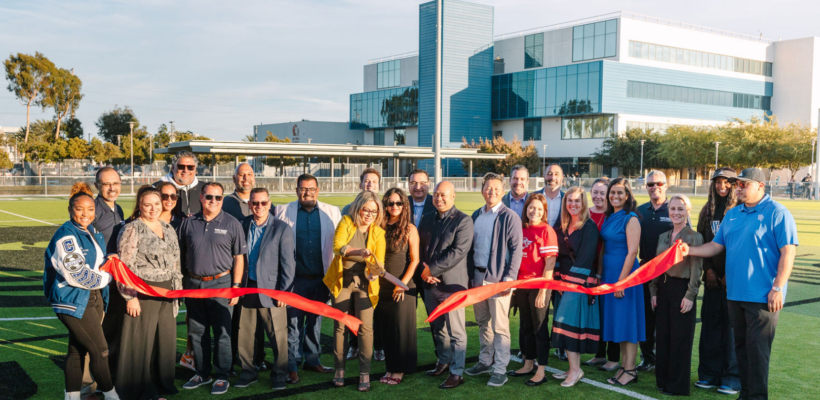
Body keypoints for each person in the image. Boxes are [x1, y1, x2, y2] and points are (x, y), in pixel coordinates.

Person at [682, 168, 798, 400]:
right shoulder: (733, 214)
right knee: (742, 350)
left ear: (760, 186)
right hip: (734, 295)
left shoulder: (778, 212)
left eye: (743, 184)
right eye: (738, 185)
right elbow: (716, 246)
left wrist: (777, 288)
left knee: (757, 354)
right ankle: (745, 395)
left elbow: (788, 253)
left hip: (763, 298)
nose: (738, 188)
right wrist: (689, 250)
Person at [44, 182, 121, 400]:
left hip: (92, 298)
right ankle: (111, 395)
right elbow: (77, 275)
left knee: (77, 350)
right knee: (100, 350)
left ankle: (72, 396)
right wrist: (108, 277)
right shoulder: (66, 235)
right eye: (79, 209)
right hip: (73, 299)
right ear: (70, 210)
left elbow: (94, 263)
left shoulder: (92, 232)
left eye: (90, 209)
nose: (85, 214)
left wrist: (111, 261)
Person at [178, 182, 247, 395]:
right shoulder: (188, 223)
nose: (213, 201)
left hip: (221, 284)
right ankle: (202, 372)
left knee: (222, 333)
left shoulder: (232, 223)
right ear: (201, 197)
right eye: (209, 197)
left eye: (218, 198)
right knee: (197, 331)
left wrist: (236, 286)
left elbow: (239, 258)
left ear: (223, 199)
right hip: (193, 283)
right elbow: (180, 255)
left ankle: (222, 375)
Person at [114, 186, 182, 400]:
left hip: (168, 291)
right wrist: (130, 296)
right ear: (140, 206)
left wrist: (177, 292)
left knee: (164, 340)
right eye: (147, 204)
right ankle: (139, 389)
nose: (153, 208)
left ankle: (162, 384)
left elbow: (176, 261)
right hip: (143, 291)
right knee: (141, 342)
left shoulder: (168, 228)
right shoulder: (132, 228)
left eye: (157, 204)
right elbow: (123, 266)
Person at [275, 174, 341, 384]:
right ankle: (292, 365)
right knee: (293, 323)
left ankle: (312, 360)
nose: (307, 193)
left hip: (321, 278)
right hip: (295, 279)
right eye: (303, 189)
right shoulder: (282, 211)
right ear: (296, 190)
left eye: (311, 189)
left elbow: (338, 247)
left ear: (318, 190)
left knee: (315, 322)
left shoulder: (332, 212)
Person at [464, 173, 522, 387]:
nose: (492, 192)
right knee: (483, 323)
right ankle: (485, 361)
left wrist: (509, 278)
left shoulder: (510, 217)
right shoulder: (476, 214)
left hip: (498, 280)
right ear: (482, 190)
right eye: (488, 188)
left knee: (499, 326)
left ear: (503, 191)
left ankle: (500, 369)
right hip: (478, 278)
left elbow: (517, 250)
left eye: (497, 188)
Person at [325, 191, 386, 392]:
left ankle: (364, 373)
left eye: (374, 212)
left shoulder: (378, 233)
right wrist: (359, 252)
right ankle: (339, 370)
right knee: (340, 327)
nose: (369, 215)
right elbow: (338, 247)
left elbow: (379, 263)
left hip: (365, 285)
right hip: (343, 281)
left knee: (366, 329)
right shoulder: (346, 222)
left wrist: (374, 274)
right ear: (357, 208)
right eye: (366, 210)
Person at [235, 188, 295, 391]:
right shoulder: (242, 225)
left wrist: (285, 291)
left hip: (272, 290)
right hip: (246, 288)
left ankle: (279, 374)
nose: (259, 206)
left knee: (277, 335)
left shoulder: (281, 228)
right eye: (255, 203)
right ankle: (248, 372)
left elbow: (289, 264)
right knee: (245, 334)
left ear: (269, 204)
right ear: (250, 204)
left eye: (263, 203)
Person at [418, 181, 474, 389]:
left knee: (456, 332)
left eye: (443, 195)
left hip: (452, 286)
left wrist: (432, 270)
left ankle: (457, 373)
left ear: (453, 196)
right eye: (435, 194)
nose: (439, 198)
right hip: (430, 285)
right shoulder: (427, 218)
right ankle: (443, 361)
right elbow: (422, 248)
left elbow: (458, 252)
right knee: (437, 328)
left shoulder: (464, 220)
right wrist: (426, 272)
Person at [694, 168, 741, 395]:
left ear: (734, 184)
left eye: (726, 183)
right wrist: (708, 270)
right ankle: (709, 374)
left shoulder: (739, 211)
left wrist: (729, 274)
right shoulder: (706, 211)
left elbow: (740, 247)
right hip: (713, 281)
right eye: (717, 183)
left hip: (733, 281)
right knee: (711, 326)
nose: (721, 186)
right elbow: (702, 241)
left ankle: (731, 377)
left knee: (732, 329)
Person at [650, 194, 703, 396]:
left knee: (680, 339)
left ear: (688, 212)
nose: (676, 213)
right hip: (663, 290)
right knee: (663, 337)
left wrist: (690, 295)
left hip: (682, 289)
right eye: (672, 209)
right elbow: (656, 267)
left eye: (681, 209)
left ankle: (677, 385)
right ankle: (662, 381)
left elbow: (696, 269)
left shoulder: (694, 237)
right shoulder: (663, 237)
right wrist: (654, 291)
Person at [551, 187, 601, 388]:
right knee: (565, 327)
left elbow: (586, 258)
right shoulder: (561, 224)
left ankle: (575, 371)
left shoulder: (589, 227)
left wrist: (569, 283)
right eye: (569, 200)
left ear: (584, 203)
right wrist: (557, 280)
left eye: (577, 201)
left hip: (578, 285)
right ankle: (573, 368)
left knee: (569, 326)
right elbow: (556, 253)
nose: (573, 204)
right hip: (562, 282)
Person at [506, 193, 557, 386]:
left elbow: (550, 263)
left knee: (539, 327)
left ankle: (541, 370)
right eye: (531, 207)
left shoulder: (546, 231)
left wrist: (543, 291)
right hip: (521, 285)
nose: (534, 211)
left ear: (544, 212)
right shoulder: (521, 228)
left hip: (538, 286)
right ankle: (528, 363)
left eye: (539, 209)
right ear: (526, 208)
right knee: (525, 327)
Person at [221, 163, 267, 375]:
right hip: (234, 271)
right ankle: (233, 360)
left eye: (249, 174)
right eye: (241, 175)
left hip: (258, 274)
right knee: (235, 320)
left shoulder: (263, 202)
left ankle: (258, 357)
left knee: (257, 321)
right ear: (234, 179)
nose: (245, 178)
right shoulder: (225, 202)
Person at [599, 177, 644, 386]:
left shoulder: (630, 217)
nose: (615, 196)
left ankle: (630, 370)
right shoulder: (610, 216)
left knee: (628, 324)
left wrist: (622, 282)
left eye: (619, 193)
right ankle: (625, 368)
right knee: (620, 322)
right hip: (610, 275)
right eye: (612, 192)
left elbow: (632, 251)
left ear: (627, 196)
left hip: (624, 276)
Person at [376, 188, 420, 385]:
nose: (394, 207)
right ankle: (390, 368)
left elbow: (415, 260)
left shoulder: (410, 228)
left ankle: (399, 370)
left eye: (398, 203)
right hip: (381, 286)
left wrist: (401, 285)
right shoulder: (379, 226)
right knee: (387, 330)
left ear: (404, 205)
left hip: (402, 285)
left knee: (401, 330)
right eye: (390, 203)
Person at [341, 168, 385, 362]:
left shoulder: (382, 209)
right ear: (360, 184)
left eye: (373, 182)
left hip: (376, 267)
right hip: (353, 269)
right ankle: (353, 345)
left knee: (376, 310)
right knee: (352, 309)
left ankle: (379, 347)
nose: (370, 185)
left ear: (379, 185)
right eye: (366, 181)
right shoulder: (347, 210)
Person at [635, 170, 671, 372]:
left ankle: (664, 358)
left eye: (658, 183)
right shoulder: (640, 212)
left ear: (666, 185)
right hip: (645, 271)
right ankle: (647, 357)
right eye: (650, 184)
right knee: (647, 317)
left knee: (665, 319)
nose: (654, 187)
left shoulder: (674, 209)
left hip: (669, 272)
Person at [93, 167, 126, 385]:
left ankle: (110, 374)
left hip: (116, 282)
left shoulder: (119, 209)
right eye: (106, 184)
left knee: (114, 329)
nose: (112, 188)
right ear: (97, 186)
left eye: (115, 183)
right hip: (98, 282)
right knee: (97, 334)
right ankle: (92, 382)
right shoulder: (92, 209)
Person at [583, 177, 620, 371]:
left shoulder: (612, 215)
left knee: (610, 313)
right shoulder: (585, 214)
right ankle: (599, 354)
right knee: (596, 314)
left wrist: (599, 274)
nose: (598, 196)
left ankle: (613, 356)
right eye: (595, 192)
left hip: (607, 271)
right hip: (588, 272)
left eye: (602, 192)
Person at [535, 164, 567, 361]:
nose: (552, 177)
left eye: (556, 174)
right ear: (544, 176)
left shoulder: (568, 199)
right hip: (539, 261)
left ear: (562, 178)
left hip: (563, 260)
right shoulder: (535, 198)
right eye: (549, 173)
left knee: (561, 306)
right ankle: (535, 343)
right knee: (538, 306)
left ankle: (560, 344)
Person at [154, 151, 207, 217]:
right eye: (181, 166)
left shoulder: (205, 188)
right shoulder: (155, 188)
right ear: (173, 168)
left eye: (190, 167)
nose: (185, 170)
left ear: (195, 169)